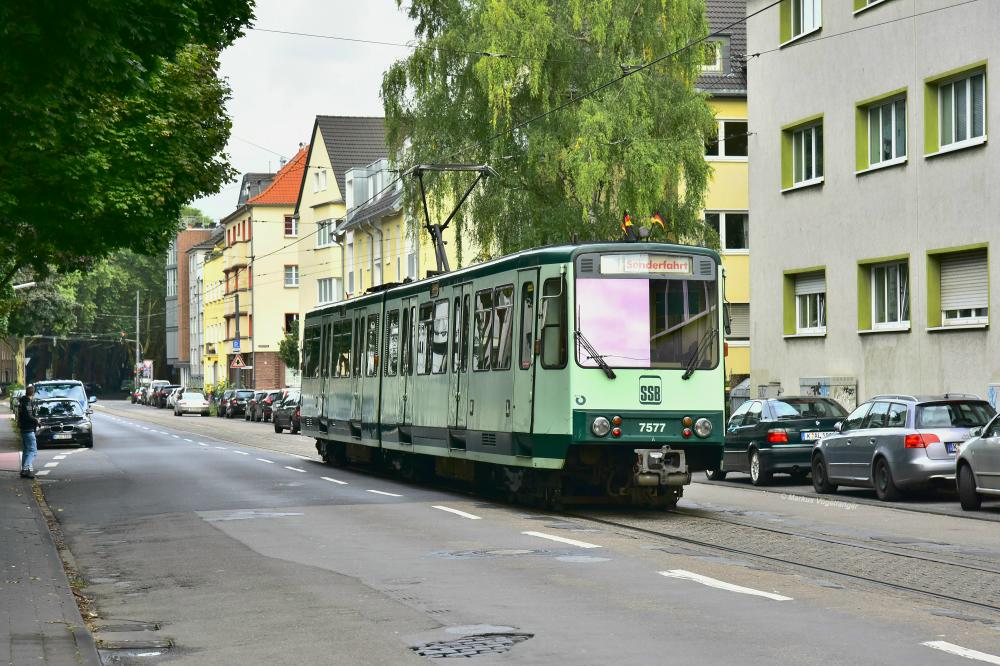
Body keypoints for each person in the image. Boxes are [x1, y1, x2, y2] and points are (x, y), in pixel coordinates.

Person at [18, 385, 38, 479]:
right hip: (29, 429)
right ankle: (25, 469)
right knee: (33, 451)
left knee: (26, 450)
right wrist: (37, 421)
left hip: (23, 429)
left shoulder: (22, 401)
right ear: (33, 393)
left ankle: (25, 471)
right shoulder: (28, 402)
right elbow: (29, 416)